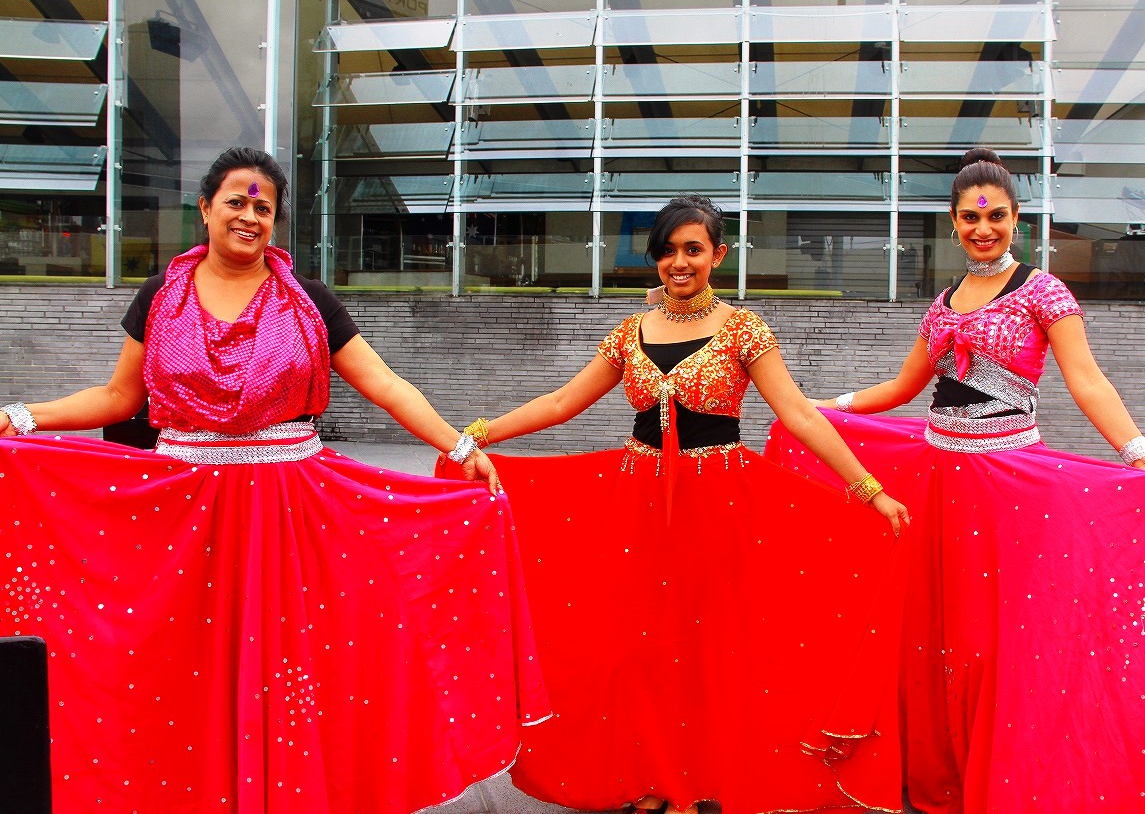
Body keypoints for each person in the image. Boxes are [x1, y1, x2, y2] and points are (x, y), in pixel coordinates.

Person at [0, 147, 549, 812]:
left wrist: (459, 445)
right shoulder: (161, 296)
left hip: (290, 510)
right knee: (183, 664)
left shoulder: (308, 300)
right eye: (235, 201)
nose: (249, 216)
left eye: (263, 208)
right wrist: (22, 416)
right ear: (205, 209)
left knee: (294, 669)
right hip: (185, 511)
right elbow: (118, 397)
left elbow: (383, 382)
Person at [767, 148, 1145, 812]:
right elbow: (903, 388)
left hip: (1008, 485)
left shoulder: (1043, 292)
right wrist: (820, 409)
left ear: (1016, 219)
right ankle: (942, 766)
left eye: (996, 215)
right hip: (937, 479)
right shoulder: (942, 305)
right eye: (971, 217)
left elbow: (1086, 379)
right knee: (936, 634)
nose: (983, 227)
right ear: (953, 222)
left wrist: (1140, 452)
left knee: (996, 642)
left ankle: (1002, 774)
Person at [443, 194, 911, 814]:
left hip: (720, 505)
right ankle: (648, 775)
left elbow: (798, 415)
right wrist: (477, 434)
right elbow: (561, 402)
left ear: (719, 254)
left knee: (706, 649)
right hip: (637, 505)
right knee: (636, 647)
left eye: (693, 249)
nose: (679, 262)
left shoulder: (744, 329)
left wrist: (868, 488)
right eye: (667, 251)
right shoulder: (631, 331)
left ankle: (694, 784)